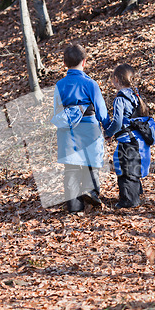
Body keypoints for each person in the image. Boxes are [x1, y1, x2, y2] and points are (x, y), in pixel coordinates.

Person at [52, 43, 110, 213]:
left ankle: (74, 207)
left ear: (64, 64)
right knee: (91, 163)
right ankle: (91, 192)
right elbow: (101, 110)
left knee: (71, 167)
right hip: (89, 128)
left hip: (68, 131)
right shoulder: (90, 84)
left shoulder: (59, 85)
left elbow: (57, 110)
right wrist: (107, 129)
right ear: (84, 62)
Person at [105, 64, 152, 209]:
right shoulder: (135, 95)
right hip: (138, 139)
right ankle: (136, 193)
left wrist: (108, 133)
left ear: (116, 80)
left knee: (125, 170)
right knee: (133, 167)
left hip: (127, 140)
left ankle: (129, 200)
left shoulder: (120, 99)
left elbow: (118, 122)